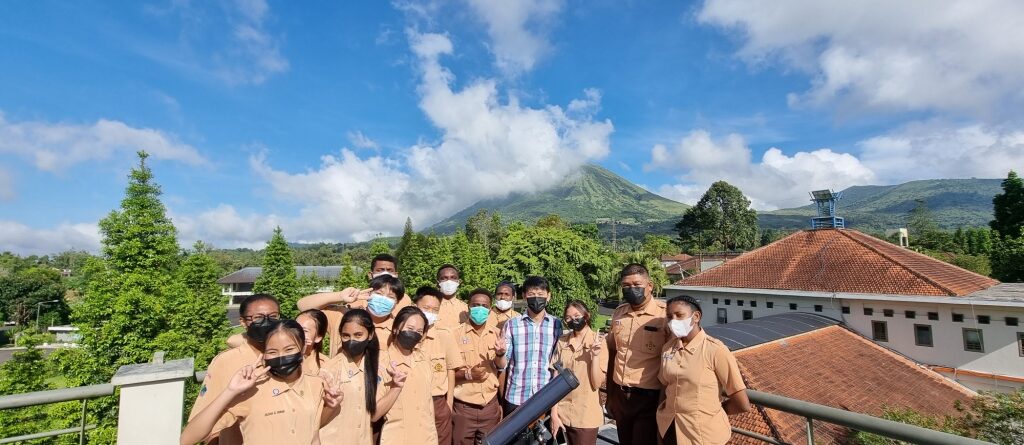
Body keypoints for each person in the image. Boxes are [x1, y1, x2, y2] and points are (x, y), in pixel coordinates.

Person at [180, 319, 342, 445]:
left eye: (289, 350)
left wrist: (331, 406)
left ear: (301, 349)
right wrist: (230, 391)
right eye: (272, 352)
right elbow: (188, 438)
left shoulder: (316, 385)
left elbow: (313, 436)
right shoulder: (251, 391)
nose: (281, 356)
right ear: (264, 355)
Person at [190, 294, 281, 445]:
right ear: (243, 322)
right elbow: (204, 420)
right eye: (258, 317)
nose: (267, 322)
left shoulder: (287, 358)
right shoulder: (226, 362)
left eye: (273, 316)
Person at [658, 296, 750, 445]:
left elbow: (742, 403)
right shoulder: (668, 349)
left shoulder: (715, 350)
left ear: (696, 316)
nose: (673, 321)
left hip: (702, 436)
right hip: (669, 430)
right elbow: (665, 386)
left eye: (679, 315)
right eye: (669, 316)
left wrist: (709, 414)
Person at [296, 254, 411, 356]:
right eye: (379, 294)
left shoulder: (398, 330)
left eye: (390, 297)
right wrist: (339, 296)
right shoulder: (343, 316)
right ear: (369, 293)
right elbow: (303, 306)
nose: (383, 299)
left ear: (397, 302)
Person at [319, 309, 405, 445]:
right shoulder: (329, 370)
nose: (351, 340)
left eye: (358, 335)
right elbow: (315, 422)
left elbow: (374, 415)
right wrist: (331, 406)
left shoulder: (378, 367)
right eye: (346, 335)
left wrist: (396, 387)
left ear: (370, 335)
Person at [606, 263, 668, 445]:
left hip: (649, 399)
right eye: (626, 285)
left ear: (650, 286)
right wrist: (610, 397)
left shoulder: (664, 316)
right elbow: (613, 355)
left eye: (637, 284)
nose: (631, 289)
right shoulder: (619, 314)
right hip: (620, 397)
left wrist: (664, 404)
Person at [495, 276, 561, 419]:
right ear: (524, 296)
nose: (536, 298)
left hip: (545, 397)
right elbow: (502, 366)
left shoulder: (557, 325)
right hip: (516, 396)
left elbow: (558, 364)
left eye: (541, 294)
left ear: (548, 296)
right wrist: (500, 354)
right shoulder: (512, 325)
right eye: (531, 294)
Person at [415, 286, 467, 445]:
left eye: (434, 310)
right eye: (425, 308)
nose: (430, 313)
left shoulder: (444, 335)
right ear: (415, 306)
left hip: (438, 401)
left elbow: (450, 370)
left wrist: (449, 404)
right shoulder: (405, 334)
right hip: (413, 400)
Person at [378, 306, 438, 445]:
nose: (414, 334)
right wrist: (395, 387)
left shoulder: (424, 360)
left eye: (419, 331)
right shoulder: (382, 363)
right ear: (396, 329)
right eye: (410, 329)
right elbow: (374, 415)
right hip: (397, 439)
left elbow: (428, 406)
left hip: (427, 438)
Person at [452, 289, 504, 445]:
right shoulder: (454, 335)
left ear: (490, 309)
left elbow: (500, 368)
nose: (480, 309)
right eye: (476, 305)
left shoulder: (497, 334)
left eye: (484, 305)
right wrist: (468, 374)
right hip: (463, 408)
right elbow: (448, 374)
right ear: (468, 306)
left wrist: (500, 354)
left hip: (490, 407)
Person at [552, 301, 608, 445]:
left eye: (577, 315)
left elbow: (596, 384)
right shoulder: (562, 342)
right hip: (562, 413)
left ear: (586, 315)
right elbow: (555, 379)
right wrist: (554, 413)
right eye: (568, 318)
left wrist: (595, 356)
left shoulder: (599, 342)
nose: (573, 320)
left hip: (585, 416)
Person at [436, 264, 469, 330]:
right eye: (444, 278)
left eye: (453, 278)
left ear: (458, 282)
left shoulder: (466, 309)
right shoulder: (429, 307)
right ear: (437, 282)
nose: (449, 281)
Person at [297, 309, 328, 375]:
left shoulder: (325, 364)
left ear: (318, 338)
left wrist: (301, 357)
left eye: (305, 331)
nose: (297, 333)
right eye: (295, 327)